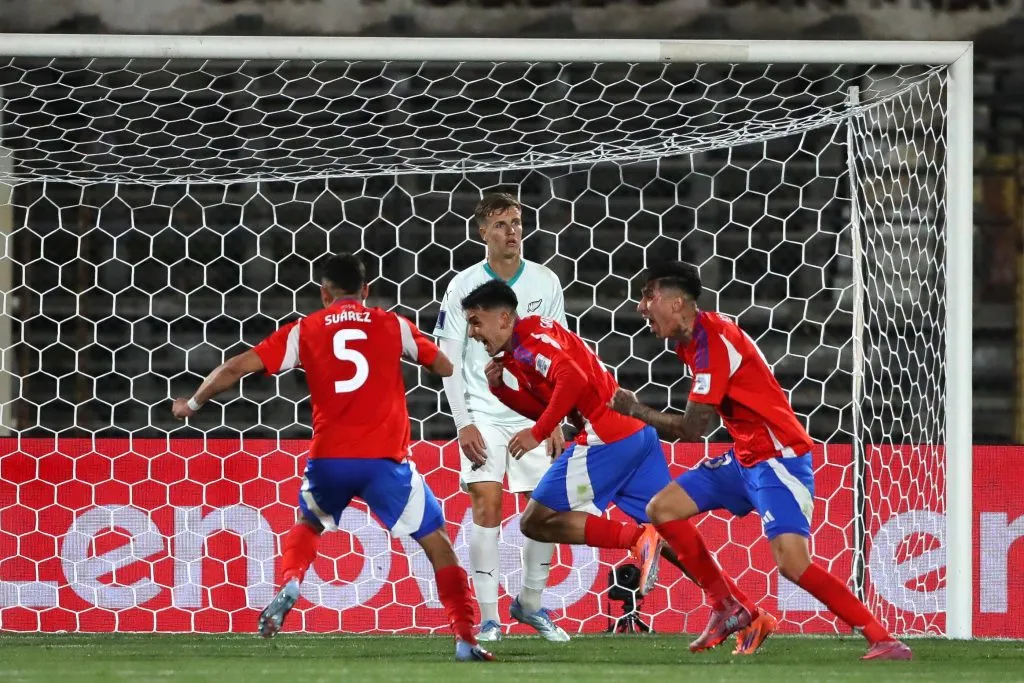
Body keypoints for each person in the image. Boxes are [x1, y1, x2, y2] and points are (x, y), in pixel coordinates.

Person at [172, 252, 493, 662]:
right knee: (438, 544)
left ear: (324, 294)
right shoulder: (392, 324)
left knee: (309, 522)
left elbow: (236, 367)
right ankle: (465, 638)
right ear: (367, 291)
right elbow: (445, 366)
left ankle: (291, 582)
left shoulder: (303, 330)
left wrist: (193, 404)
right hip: (385, 461)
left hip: (329, 459)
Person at [609, 260, 912, 661]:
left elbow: (693, 428)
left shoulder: (713, 342)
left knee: (792, 563)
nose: (640, 306)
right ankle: (729, 608)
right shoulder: (692, 339)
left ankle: (883, 638)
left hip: (779, 460)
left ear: (677, 301)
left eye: (649, 295)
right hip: (744, 457)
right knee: (662, 509)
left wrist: (635, 410)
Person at [458, 278, 667, 601]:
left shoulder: (529, 343)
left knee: (536, 521)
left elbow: (572, 378)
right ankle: (732, 603)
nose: (472, 333)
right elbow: (549, 402)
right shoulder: (520, 349)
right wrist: (500, 390)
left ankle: (636, 538)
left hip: (606, 434)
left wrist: (538, 433)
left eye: (475, 322)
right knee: (672, 528)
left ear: (503, 318)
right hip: (635, 432)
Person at [434, 191, 569, 642]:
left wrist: (553, 420)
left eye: (516, 222)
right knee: (486, 504)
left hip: (531, 413)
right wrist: (463, 422)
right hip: (482, 412)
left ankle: (530, 605)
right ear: (482, 232)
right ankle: (488, 619)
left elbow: (561, 355)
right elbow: (447, 359)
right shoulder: (463, 285)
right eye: (501, 225)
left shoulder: (546, 282)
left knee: (543, 512)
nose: (512, 232)